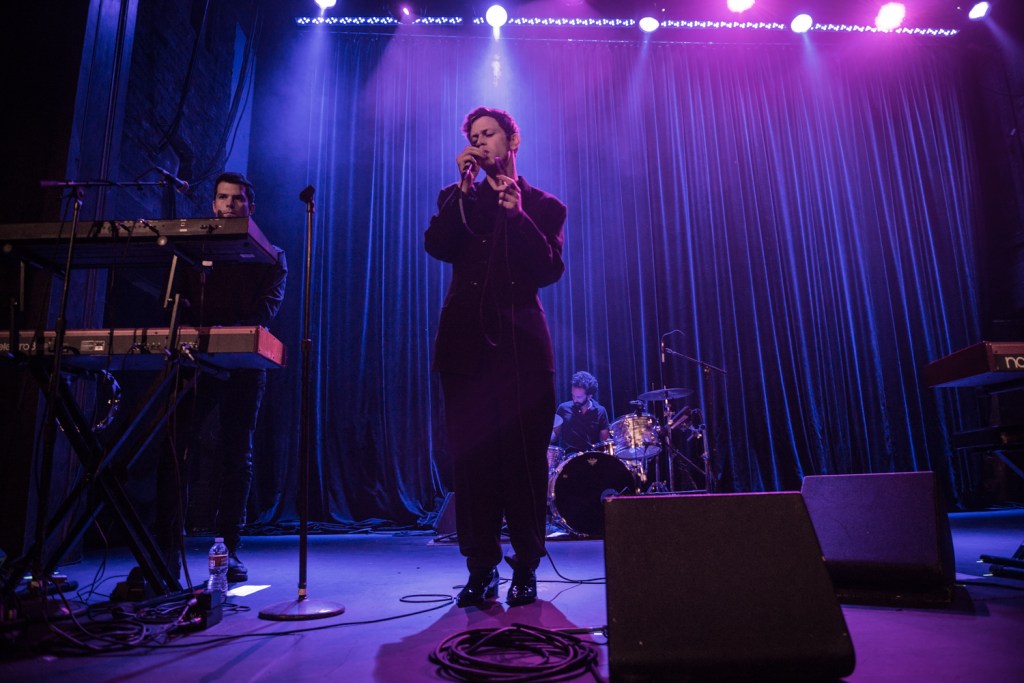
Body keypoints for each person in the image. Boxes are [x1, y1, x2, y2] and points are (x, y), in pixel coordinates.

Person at [425, 106, 566, 607]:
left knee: (524, 464)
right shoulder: (455, 198)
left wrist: (517, 215)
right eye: (474, 136)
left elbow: (550, 270)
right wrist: (463, 192)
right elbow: (437, 246)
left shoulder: (544, 205)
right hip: (463, 351)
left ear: (512, 140)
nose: (482, 142)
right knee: (473, 463)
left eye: (491, 134)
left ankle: (525, 568)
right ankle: (480, 568)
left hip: (523, 352)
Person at [157, 171, 287, 584]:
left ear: (251, 206)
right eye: (223, 198)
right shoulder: (194, 247)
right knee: (176, 445)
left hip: (245, 365)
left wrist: (234, 337)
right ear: (213, 204)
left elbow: (266, 309)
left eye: (238, 199)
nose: (229, 205)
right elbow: (175, 300)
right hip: (196, 359)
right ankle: (163, 552)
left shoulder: (271, 255)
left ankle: (228, 550)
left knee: (237, 454)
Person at [551, 371, 610, 454]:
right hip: (570, 456)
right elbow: (555, 435)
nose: (575, 399)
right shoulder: (563, 408)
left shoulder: (600, 411)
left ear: (589, 396)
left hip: (592, 457)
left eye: (579, 397)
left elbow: (605, 440)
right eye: (573, 395)